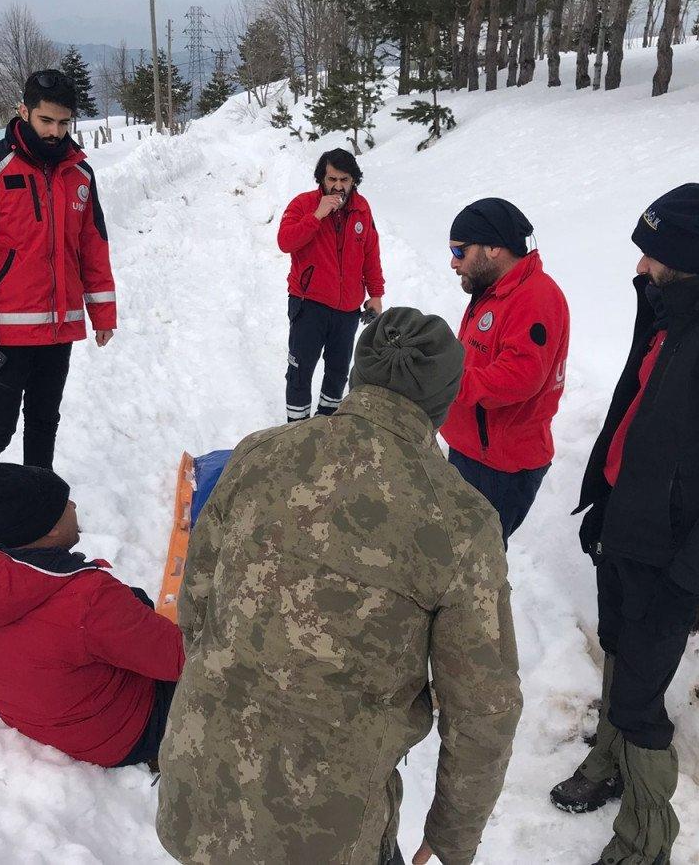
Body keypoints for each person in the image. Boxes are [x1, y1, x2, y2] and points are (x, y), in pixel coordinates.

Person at [156, 308, 522, 865]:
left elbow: (195, 607)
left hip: (196, 788)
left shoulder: (258, 454)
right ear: (444, 404)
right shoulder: (461, 522)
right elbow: (484, 708)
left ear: (357, 374)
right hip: (325, 832)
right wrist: (452, 837)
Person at [551, 184, 699, 865]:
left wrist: (691, 569)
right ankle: (607, 762)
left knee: (640, 693)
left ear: (686, 255)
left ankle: (645, 839)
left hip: (672, 553)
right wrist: (603, 496)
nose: (639, 265)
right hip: (626, 525)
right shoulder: (674, 312)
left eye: (651, 251)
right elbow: (640, 411)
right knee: (619, 648)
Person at [0, 69, 116, 558]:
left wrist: (101, 311)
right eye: (46, 120)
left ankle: (39, 522)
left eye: (64, 122)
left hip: (58, 330)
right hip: (6, 336)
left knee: (44, 425)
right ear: (23, 111)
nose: (55, 132)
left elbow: (92, 246)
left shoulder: (80, 173)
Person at [0, 463, 184, 768]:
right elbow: (181, 658)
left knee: (133, 602)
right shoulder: (89, 597)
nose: (73, 505)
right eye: (66, 505)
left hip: (35, 713)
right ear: (52, 529)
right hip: (116, 736)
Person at [440, 198, 570, 544]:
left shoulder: (535, 298)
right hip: (472, 450)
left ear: (494, 247)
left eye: (459, 250)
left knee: (470, 568)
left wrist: (444, 379)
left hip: (499, 467)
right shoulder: (493, 290)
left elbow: (519, 379)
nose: (453, 262)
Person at [277, 148, 384, 422]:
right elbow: (285, 241)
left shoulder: (362, 209)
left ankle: (326, 426)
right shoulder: (302, 204)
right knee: (301, 371)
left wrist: (376, 294)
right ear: (321, 179)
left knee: (337, 373)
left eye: (344, 180)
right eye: (332, 179)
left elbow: (370, 253)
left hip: (347, 309)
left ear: (353, 180)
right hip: (308, 304)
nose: (338, 186)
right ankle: (298, 430)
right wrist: (317, 216)